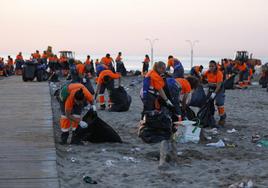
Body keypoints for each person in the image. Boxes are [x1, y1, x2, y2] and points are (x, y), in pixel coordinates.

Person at [202, 60, 226, 126]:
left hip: (219, 89)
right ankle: (210, 118)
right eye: (210, 66)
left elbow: (218, 86)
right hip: (211, 88)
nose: (211, 68)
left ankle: (222, 118)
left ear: (215, 66)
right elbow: (203, 77)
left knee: (219, 103)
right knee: (207, 102)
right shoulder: (208, 72)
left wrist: (214, 93)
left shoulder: (219, 73)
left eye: (212, 66)